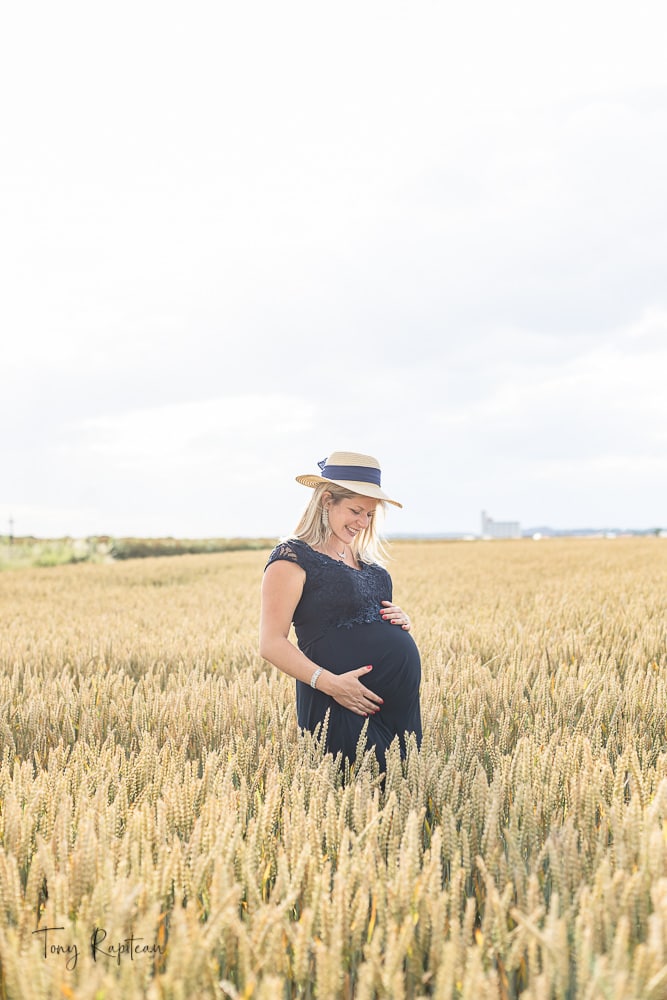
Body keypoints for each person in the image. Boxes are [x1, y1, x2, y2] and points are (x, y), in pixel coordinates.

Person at [259, 451, 422, 772]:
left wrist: (400, 621)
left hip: (398, 711)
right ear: (326, 501)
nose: (362, 523)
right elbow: (271, 643)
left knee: (404, 799)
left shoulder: (365, 561)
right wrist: (331, 684)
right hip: (340, 704)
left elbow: (363, 620)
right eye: (356, 511)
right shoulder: (291, 559)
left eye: (371, 515)